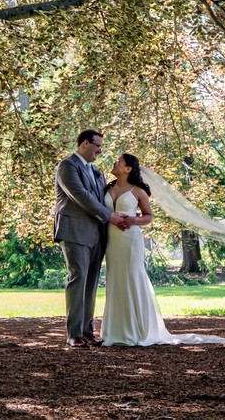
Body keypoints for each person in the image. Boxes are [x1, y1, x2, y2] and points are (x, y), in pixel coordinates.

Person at [100, 152, 225, 346]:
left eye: (119, 161)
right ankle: (116, 331)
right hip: (112, 241)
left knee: (132, 277)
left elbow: (148, 216)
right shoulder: (107, 187)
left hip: (130, 239)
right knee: (115, 279)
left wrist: (133, 220)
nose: (114, 162)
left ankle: (138, 331)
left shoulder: (138, 191)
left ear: (128, 169)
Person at [53, 130, 130, 348]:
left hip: (98, 233)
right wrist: (111, 216)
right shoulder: (67, 166)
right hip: (75, 230)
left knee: (92, 283)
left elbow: (102, 199)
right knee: (78, 278)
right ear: (85, 143)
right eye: (98, 146)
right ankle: (74, 334)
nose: (100, 150)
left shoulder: (96, 171)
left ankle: (87, 332)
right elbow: (80, 196)